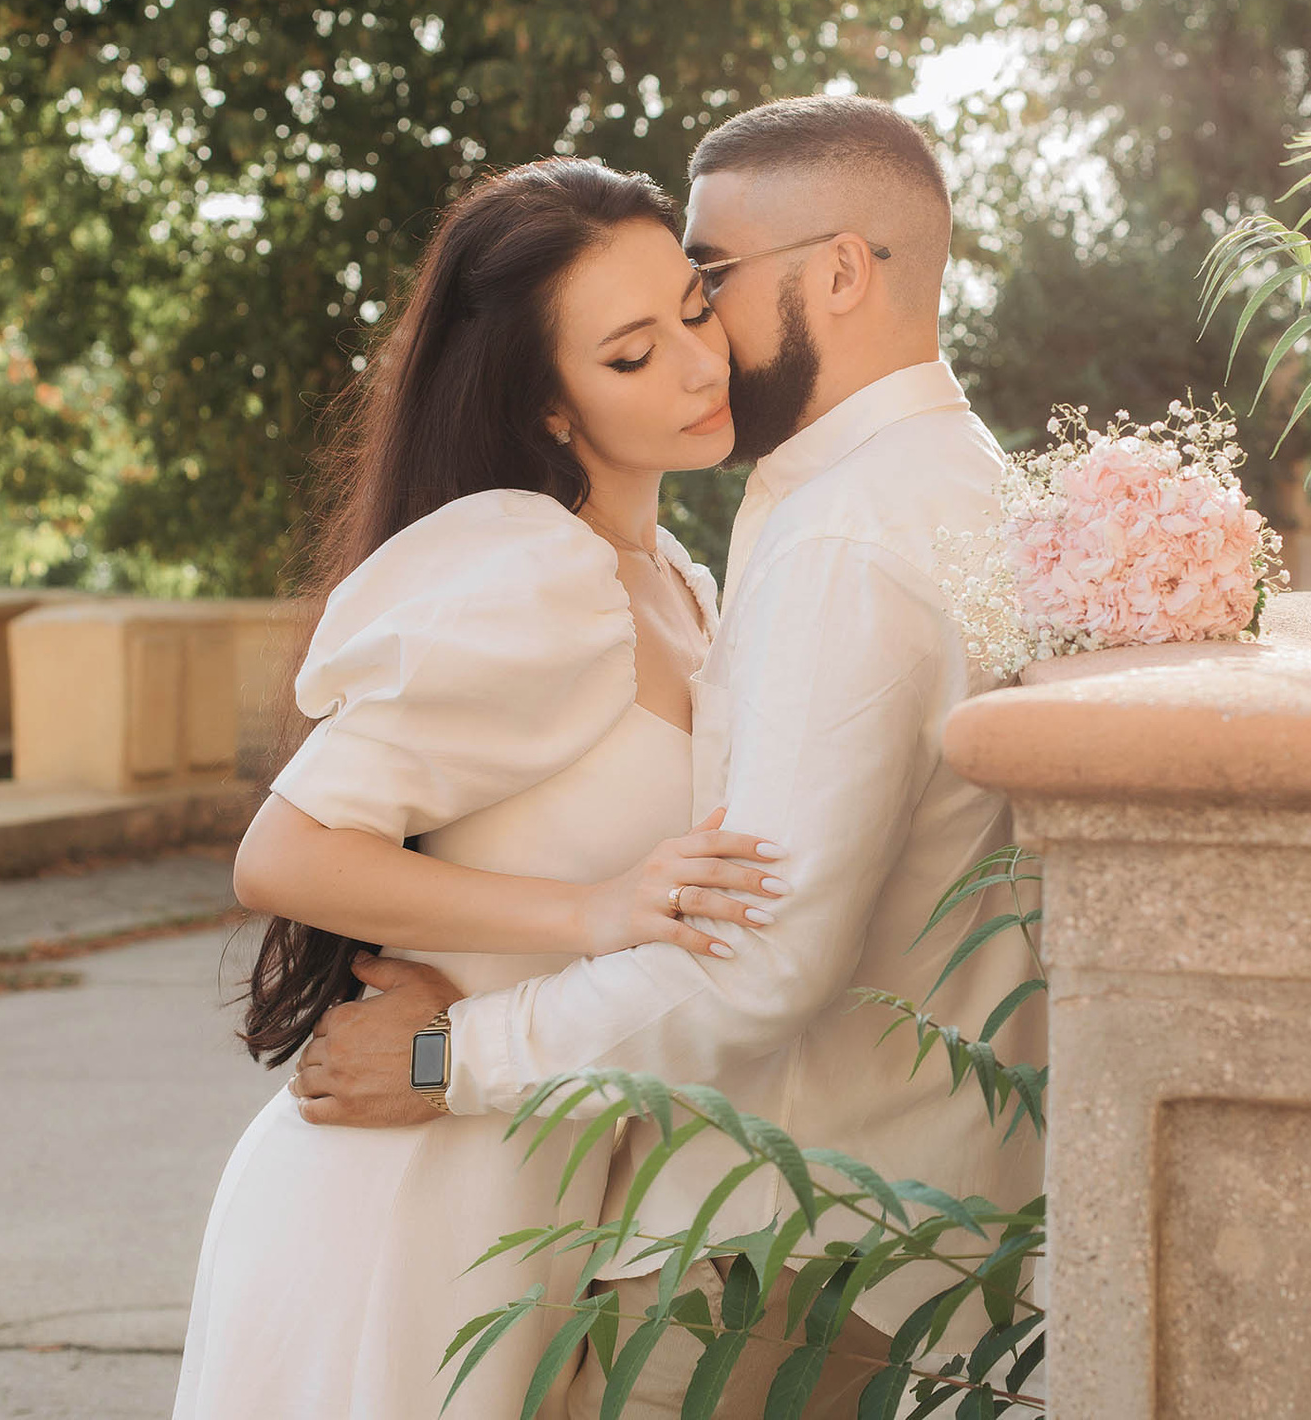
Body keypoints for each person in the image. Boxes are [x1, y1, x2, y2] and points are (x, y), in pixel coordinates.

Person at [293, 96, 1047, 1419]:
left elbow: (761, 961)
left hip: (778, 1249)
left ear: (839, 272)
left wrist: (443, 1057)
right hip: (909, 1231)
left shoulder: (841, 548)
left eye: (708, 279)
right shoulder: (969, 484)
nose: (699, 326)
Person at [172, 159, 791, 1420]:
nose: (694, 364)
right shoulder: (531, 571)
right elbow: (280, 854)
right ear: (547, 405)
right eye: (628, 355)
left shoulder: (680, 578)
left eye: (691, 308)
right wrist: (591, 913)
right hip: (409, 1200)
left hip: (539, 1167)